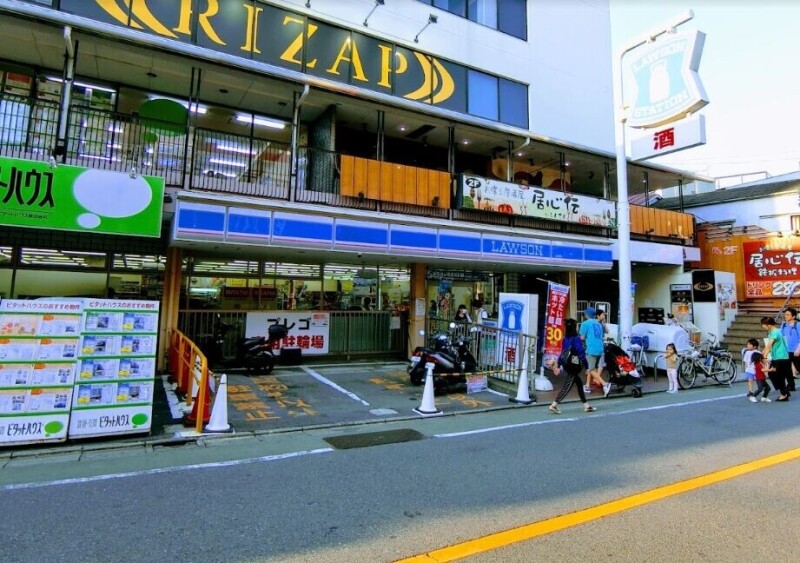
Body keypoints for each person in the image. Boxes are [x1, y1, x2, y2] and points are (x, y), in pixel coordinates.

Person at [549, 318, 596, 414]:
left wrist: (559, 365)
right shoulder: (576, 339)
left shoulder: (565, 339)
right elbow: (581, 352)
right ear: (574, 328)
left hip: (567, 364)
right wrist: (586, 366)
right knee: (567, 386)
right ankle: (554, 405)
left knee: (579, 384)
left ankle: (586, 405)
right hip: (574, 366)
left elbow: (563, 353)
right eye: (577, 326)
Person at [579, 307, 612, 397]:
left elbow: (582, 337)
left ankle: (605, 384)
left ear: (587, 315)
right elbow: (602, 334)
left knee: (591, 369)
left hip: (591, 349)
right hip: (600, 349)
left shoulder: (585, 323)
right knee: (592, 367)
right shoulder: (599, 324)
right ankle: (587, 386)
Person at [761, 317, 790, 401]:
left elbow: (769, 345)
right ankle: (784, 392)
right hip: (778, 356)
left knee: (778, 376)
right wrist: (762, 354)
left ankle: (784, 394)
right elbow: (768, 346)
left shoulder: (774, 333)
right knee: (774, 374)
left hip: (780, 357)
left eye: (764, 325)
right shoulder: (775, 331)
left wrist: (764, 356)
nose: (763, 327)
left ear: (769, 325)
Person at [780, 307, 799, 388]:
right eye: (785, 314)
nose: (786, 316)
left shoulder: (798, 325)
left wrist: (798, 349)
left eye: (788, 315)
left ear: (793, 316)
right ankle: (791, 385)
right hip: (786, 351)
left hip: (796, 350)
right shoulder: (784, 325)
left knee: (798, 367)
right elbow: (781, 336)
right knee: (787, 369)